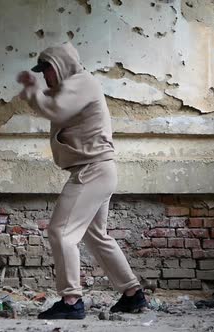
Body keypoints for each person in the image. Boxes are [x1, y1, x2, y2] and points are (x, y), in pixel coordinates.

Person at [16, 42, 148, 320]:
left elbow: (56, 110)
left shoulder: (81, 83)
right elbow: (57, 102)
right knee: (96, 235)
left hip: (92, 171)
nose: (45, 77)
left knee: (60, 232)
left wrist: (32, 91)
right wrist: (38, 90)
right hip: (98, 170)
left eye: (48, 70)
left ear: (61, 65)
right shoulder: (73, 86)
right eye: (42, 73)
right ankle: (132, 294)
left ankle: (71, 299)